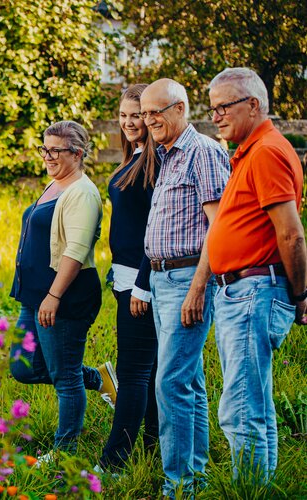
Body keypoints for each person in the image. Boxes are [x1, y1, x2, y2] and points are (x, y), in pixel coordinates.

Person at [206, 67, 306, 482]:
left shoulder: (266, 151)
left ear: (253, 104)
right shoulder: (251, 150)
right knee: (254, 404)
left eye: (224, 106)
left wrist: (301, 295)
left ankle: (247, 491)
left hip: (253, 291)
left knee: (241, 408)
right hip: (246, 291)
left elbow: (291, 233)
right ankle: (259, 488)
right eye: (212, 109)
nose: (216, 116)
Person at [140, 79, 230, 497]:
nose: (148, 120)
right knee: (187, 380)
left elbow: (219, 227)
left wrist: (198, 287)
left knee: (170, 381)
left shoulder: (203, 152)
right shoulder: (166, 155)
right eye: (144, 113)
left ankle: (178, 487)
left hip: (186, 279)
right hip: (163, 279)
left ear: (179, 109)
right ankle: (194, 474)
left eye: (155, 112)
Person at [9, 120, 116, 460]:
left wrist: (53, 296)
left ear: (77, 153)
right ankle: (99, 378)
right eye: (45, 148)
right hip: (36, 295)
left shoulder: (82, 192)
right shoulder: (55, 185)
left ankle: (64, 451)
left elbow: (76, 249)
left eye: (55, 150)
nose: (47, 156)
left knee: (64, 379)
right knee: (23, 366)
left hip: (63, 297)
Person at [98, 83, 159, 471]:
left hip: (143, 280)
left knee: (133, 371)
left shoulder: (155, 165)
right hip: (124, 278)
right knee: (147, 370)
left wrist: (143, 282)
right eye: (123, 115)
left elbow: (158, 229)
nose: (129, 122)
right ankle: (153, 446)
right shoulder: (132, 157)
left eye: (135, 115)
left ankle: (114, 463)